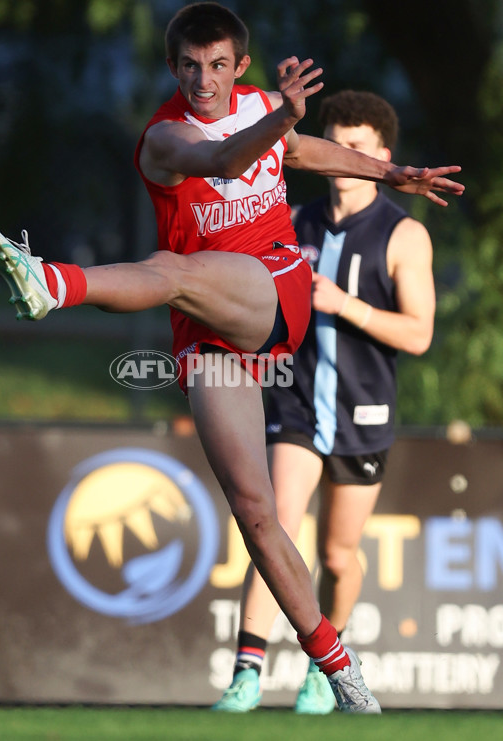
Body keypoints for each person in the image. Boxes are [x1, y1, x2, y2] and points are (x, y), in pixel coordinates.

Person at [0, 3, 463, 713]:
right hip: (208, 326)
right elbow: (228, 158)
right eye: (191, 66)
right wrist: (284, 120)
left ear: (241, 65)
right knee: (257, 513)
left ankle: (49, 280)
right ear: (174, 68)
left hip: (276, 288)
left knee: (173, 266)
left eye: (220, 65)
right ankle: (343, 674)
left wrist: (393, 173)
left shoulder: (266, 109)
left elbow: (298, 153)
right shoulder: (166, 136)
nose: (205, 78)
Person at [212, 89, 436, 714]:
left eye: (356, 150)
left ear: (382, 155)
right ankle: (246, 676)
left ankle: (326, 672)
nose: (343, 160)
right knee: (275, 525)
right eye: (335, 149)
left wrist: (346, 305)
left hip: (364, 409)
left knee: (339, 554)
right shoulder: (295, 221)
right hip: (296, 401)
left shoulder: (403, 233)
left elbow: (419, 333)